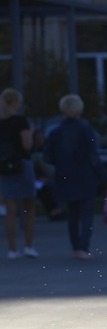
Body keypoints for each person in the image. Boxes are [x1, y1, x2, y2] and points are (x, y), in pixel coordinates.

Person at [45, 94, 107, 260]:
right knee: (86, 214)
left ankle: (76, 247)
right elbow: (93, 157)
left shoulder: (55, 133)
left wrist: (61, 163)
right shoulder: (85, 130)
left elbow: (48, 157)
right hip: (85, 176)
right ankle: (84, 247)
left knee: (73, 215)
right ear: (79, 110)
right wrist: (106, 177)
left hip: (65, 176)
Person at [0, 88, 38, 259]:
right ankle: (29, 246)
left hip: (5, 166)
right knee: (28, 206)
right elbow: (27, 145)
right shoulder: (21, 121)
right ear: (15, 102)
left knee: (10, 208)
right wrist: (31, 131)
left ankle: (12, 249)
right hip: (22, 164)